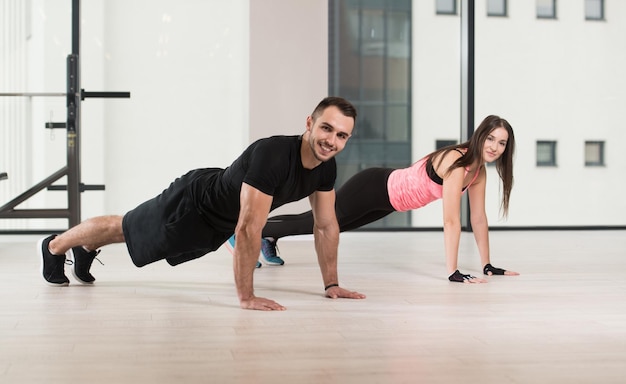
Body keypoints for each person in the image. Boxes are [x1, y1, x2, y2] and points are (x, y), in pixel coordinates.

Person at [37, 96, 366, 311]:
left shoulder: (326, 168)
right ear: (309, 123)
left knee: (135, 236)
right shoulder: (274, 156)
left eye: (342, 136)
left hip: (215, 223)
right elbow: (249, 229)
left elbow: (325, 225)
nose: (331, 141)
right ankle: (55, 247)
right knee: (126, 228)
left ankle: (85, 248)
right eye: (326, 128)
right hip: (193, 203)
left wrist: (332, 284)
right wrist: (246, 297)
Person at [254, 115, 520, 283]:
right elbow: (451, 220)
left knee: (333, 225)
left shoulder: (478, 173)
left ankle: (267, 235)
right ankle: (250, 231)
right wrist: (452, 271)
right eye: (491, 138)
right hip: (375, 186)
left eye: (502, 143)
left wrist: (487, 264)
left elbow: (478, 218)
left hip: (389, 202)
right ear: (480, 136)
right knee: (319, 223)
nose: (494, 147)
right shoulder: (456, 162)